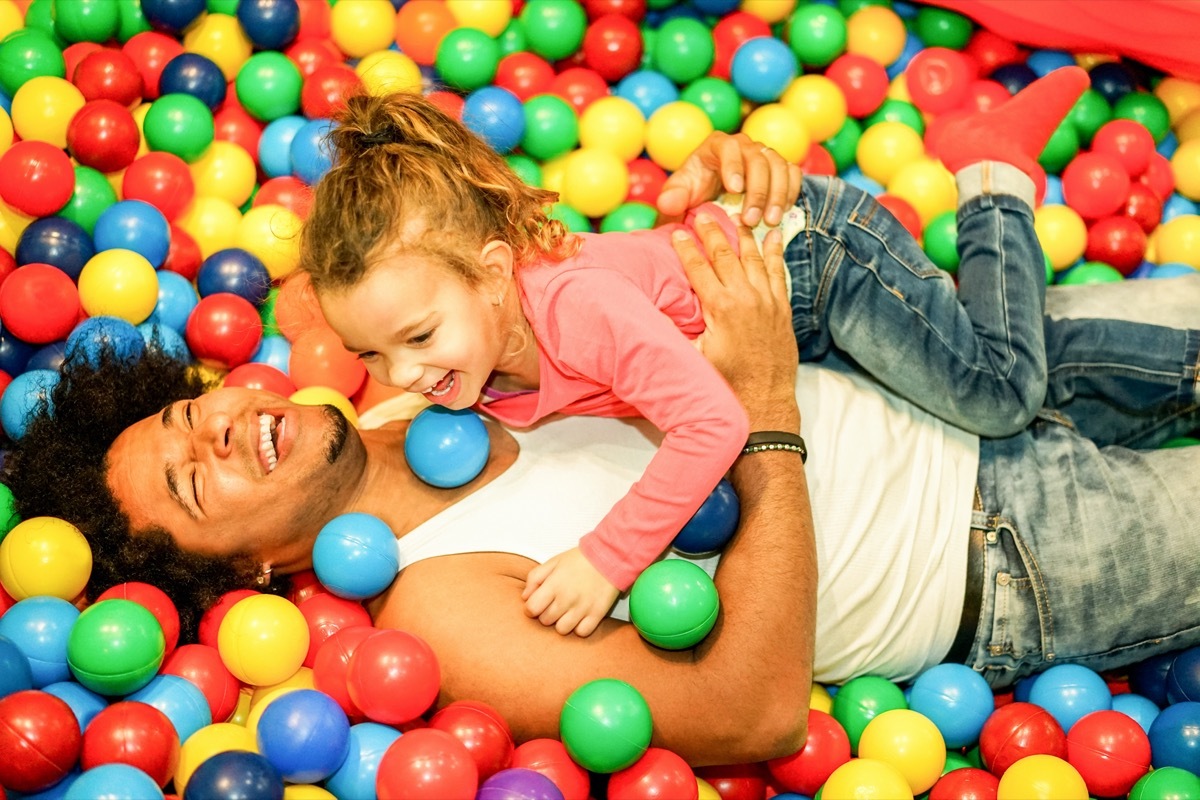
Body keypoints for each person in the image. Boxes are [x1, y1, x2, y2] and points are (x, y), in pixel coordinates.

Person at [7, 207, 1200, 764]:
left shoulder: (409, 365)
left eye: (187, 412)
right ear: (247, 574)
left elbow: (599, 287)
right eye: (195, 477)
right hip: (1004, 551)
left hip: (958, 368)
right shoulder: (441, 609)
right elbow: (751, 714)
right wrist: (766, 416)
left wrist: (743, 215)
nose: (221, 426)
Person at [301, 68, 1091, 638]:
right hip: (765, 301)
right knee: (1009, 364)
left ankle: (993, 176)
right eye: (368, 355)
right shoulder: (471, 350)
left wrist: (608, 559)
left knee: (999, 393)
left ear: (497, 273)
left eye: (418, 338)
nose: (403, 376)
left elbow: (712, 423)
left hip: (816, 262)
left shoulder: (578, 316)